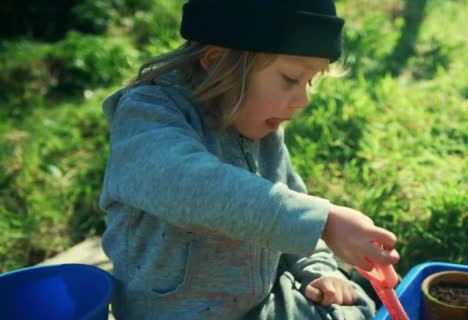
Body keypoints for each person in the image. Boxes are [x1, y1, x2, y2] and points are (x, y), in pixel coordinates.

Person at [99, 0, 400, 319]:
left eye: (309, 81)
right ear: (216, 63)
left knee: (354, 309)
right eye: (290, 78)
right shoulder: (146, 117)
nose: (303, 100)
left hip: (260, 304)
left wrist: (321, 271)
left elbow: (292, 201)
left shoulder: (259, 125)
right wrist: (323, 221)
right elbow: (193, 187)